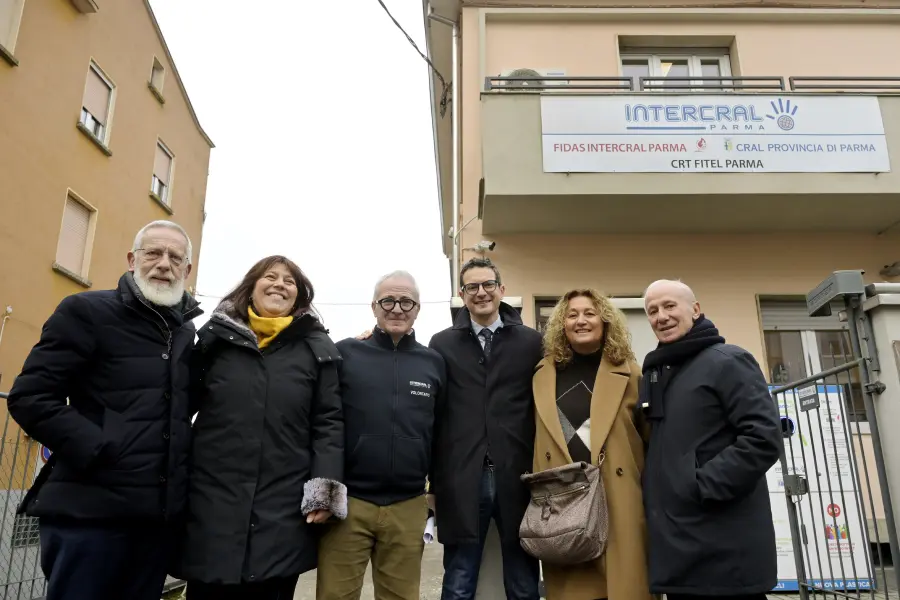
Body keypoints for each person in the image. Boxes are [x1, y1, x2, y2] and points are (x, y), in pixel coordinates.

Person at [6, 220, 201, 600]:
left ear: (187, 270)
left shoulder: (185, 333)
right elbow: (29, 397)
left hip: (153, 525)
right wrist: (100, 448)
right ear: (132, 259)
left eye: (175, 257)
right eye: (153, 253)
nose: (164, 263)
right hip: (88, 517)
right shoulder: (85, 311)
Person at [177, 255, 346, 600]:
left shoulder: (317, 349)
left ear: (299, 297)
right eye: (270, 277)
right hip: (212, 506)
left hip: (282, 509)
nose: (279, 285)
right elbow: (180, 409)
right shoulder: (214, 340)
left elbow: (328, 423)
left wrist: (324, 491)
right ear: (250, 287)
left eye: (289, 281)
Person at [640, 279, 782, 600]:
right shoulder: (659, 373)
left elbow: (763, 438)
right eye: (652, 311)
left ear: (696, 309)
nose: (661, 316)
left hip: (723, 543)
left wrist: (701, 485)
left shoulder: (728, 361)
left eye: (669, 306)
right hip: (680, 543)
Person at [316, 270, 446, 600]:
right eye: (388, 300)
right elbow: (323, 421)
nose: (397, 308)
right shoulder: (345, 352)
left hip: (409, 504)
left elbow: (442, 430)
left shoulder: (433, 363)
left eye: (406, 301)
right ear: (374, 306)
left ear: (418, 308)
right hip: (349, 503)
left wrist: (436, 492)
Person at [428, 257, 543, 600]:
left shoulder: (530, 342)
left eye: (488, 285)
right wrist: (434, 482)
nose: (481, 293)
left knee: (524, 579)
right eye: (472, 287)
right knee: (459, 578)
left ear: (501, 290)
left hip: (519, 475)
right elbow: (435, 414)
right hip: (461, 476)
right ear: (462, 295)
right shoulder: (442, 344)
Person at [531, 289, 652, 600]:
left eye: (589, 313)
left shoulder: (632, 373)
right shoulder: (542, 374)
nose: (580, 321)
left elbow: (650, 438)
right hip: (563, 502)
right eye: (572, 315)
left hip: (618, 497)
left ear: (605, 321)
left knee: (622, 586)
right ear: (561, 324)